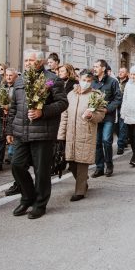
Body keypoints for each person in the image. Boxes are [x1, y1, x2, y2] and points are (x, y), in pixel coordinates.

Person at [6, 49, 68, 219]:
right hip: (21, 132)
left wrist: (43, 111)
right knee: (17, 165)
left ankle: (40, 204)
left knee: (41, 172)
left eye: (31, 60)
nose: (27, 63)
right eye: (26, 60)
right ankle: (27, 197)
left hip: (42, 132)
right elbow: (14, 107)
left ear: (40, 62)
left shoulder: (52, 79)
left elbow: (62, 103)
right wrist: (10, 130)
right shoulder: (20, 80)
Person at [57, 70, 106, 201]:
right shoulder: (71, 94)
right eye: (84, 80)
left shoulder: (96, 95)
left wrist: (92, 116)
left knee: (82, 162)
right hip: (70, 133)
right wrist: (61, 135)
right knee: (71, 161)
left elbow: (101, 115)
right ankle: (83, 182)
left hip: (86, 133)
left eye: (89, 81)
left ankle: (80, 191)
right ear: (79, 78)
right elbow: (64, 116)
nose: (86, 83)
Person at [90, 59, 122, 178]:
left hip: (108, 116)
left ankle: (109, 165)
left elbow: (118, 98)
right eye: (94, 66)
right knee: (97, 142)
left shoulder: (112, 81)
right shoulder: (92, 82)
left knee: (106, 140)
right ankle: (99, 168)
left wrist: (108, 109)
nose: (94, 68)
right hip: (96, 117)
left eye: (97, 66)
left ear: (103, 68)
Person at [0, 68, 18, 172]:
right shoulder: (1, 86)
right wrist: (1, 108)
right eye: (7, 75)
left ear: (15, 76)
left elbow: (19, 102)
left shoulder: (18, 87)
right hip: (2, 116)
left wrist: (8, 107)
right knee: (0, 138)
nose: (8, 77)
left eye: (11, 75)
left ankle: (15, 161)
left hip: (14, 117)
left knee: (14, 139)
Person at [115, 67, 129, 155]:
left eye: (122, 72)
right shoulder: (115, 81)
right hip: (115, 106)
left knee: (122, 126)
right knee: (116, 127)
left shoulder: (129, 83)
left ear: (126, 74)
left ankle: (120, 146)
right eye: (119, 71)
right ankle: (124, 140)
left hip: (124, 107)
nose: (120, 73)